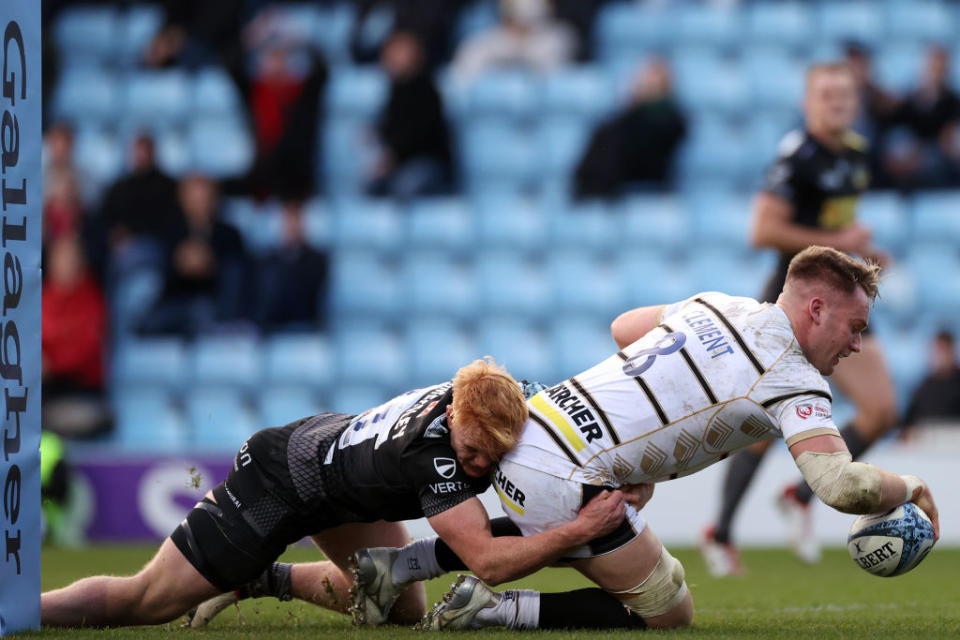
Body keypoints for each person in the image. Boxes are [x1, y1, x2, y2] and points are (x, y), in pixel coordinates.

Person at [193, 247, 940, 632]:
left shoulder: (720, 303)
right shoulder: (795, 380)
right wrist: (912, 490)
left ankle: (399, 562)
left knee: (519, 538)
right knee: (667, 611)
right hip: (569, 472)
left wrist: (652, 431)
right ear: (815, 307)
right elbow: (841, 487)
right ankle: (490, 612)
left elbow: (624, 329)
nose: (858, 343)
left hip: (540, 420)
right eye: (854, 325)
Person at [41, 359, 627, 628]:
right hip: (278, 480)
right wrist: (580, 529)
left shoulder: (504, 399)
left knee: (400, 610)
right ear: (453, 413)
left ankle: (259, 579)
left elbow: (590, 432)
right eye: (472, 451)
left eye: (491, 455)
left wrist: (630, 474)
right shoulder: (433, 456)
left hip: (337, 479)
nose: (480, 464)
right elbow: (488, 564)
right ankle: (20, 611)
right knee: (148, 602)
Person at [701, 62, 900, 576]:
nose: (836, 103)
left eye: (844, 94)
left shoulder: (855, 154)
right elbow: (762, 230)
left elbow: (833, 228)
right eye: (825, 95)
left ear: (854, 102)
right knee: (765, 426)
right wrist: (843, 244)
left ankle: (799, 494)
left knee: (881, 410)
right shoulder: (797, 157)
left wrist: (864, 254)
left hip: (845, 299)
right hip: (798, 305)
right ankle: (719, 533)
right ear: (808, 103)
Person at [574, 56, 687, 197]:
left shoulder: (670, 121)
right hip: (613, 191)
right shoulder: (614, 125)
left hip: (646, 191)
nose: (644, 84)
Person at [368, 31, 454, 199]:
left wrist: (394, 156)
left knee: (405, 186)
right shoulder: (394, 92)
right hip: (401, 164)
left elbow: (420, 135)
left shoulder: (426, 91)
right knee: (372, 188)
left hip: (428, 164)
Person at [901, 331, 960, 433]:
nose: (938, 356)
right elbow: (907, 424)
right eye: (935, 351)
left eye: (942, 350)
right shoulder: (923, 388)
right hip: (927, 441)